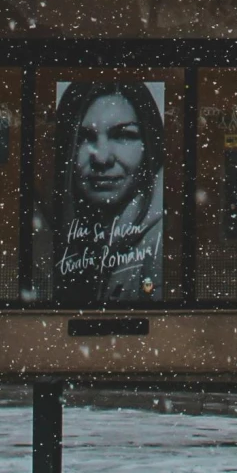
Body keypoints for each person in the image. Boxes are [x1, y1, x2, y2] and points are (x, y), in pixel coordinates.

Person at [53, 79, 166, 307]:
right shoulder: (64, 233)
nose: (102, 158)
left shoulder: (163, 245)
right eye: (85, 137)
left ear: (149, 145)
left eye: (123, 135)